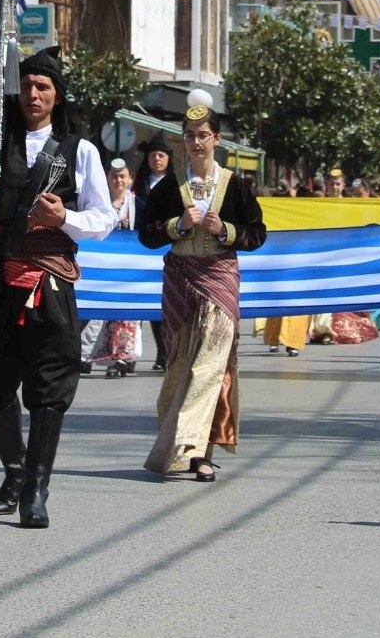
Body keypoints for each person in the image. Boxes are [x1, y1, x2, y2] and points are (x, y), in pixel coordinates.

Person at [0, 48, 116, 528]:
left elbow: (103, 219)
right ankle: (15, 470)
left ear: (57, 95)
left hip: (48, 283)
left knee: (48, 385)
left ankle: (37, 489)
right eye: (26, 86)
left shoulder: (79, 150)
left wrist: (66, 218)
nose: (33, 94)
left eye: (42, 86)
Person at [139, 105, 265, 480]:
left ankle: (197, 452)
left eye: (202, 135)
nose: (196, 142)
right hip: (181, 280)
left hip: (221, 279)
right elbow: (147, 234)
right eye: (190, 135)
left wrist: (225, 229)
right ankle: (180, 446)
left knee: (210, 366)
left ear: (216, 139)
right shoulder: (168, 186)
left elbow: (257, 234)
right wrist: (178, 225)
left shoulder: (237, 185)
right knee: (180, 364)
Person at [81, 158, 142, 377]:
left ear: (130, 179)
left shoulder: (137, 206)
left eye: (122, 176)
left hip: (129, 268)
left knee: (126, 315)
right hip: (101, 266)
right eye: (114, 176)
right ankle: (85, 356)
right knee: (95, 313)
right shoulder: (98, 204)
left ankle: (123, 358)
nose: (118, 180)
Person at [133, 134, 176, 371]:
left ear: (169, 159)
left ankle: (166, 353)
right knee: (147, 302)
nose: (157, 159)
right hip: (142, 247)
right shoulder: (138, 185)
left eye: (161, 155)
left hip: (166, 246)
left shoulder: (177, 184)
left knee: (165, 302)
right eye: (153, 155)